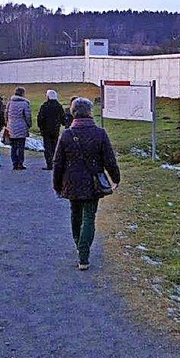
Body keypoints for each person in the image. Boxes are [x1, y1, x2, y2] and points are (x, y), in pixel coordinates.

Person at [53, 97, 120, 270]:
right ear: (89, 112)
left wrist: (57, 184)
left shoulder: (67, 135)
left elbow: (58, 163)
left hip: (72, 182)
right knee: (89, 216)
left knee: (75, 214)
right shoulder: (100, 133)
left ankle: (79, 246)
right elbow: (109, 160)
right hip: (93, 182)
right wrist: (115, 178)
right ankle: (84, 253)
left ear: (73, 112)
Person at [37, 89, 66, 170]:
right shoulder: (59, 106)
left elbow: (40, 118)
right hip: (55, 130)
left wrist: (40, 127)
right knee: (54, 147)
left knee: (47, 148)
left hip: (46, 130)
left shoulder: (44, 106)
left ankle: (49, 164)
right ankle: (55, 162)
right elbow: (63, 118)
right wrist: (63, 123)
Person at [5, 86, 32, 170]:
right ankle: (20, 163)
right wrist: (29, 124)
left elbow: (5, 114)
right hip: (21, 126)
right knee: (21, 146)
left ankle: (14, 163)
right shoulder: (25, 104)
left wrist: (7, 123)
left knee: (13, 146)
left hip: (11, 126)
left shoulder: (10, 103)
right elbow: (27, 116)